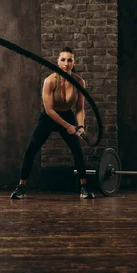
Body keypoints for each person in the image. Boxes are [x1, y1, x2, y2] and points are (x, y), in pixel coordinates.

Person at [11, 46, 95, 199]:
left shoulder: (79, 82)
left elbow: (80, 109)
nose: (66, 63)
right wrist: (68, 126)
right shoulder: (49, 81)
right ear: (58, 62)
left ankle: (84, 187)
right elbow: (49, 110)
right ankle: (21, 187)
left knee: (77, 150)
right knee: (31, 148)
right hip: (49, 118)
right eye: (63, 60)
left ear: (73, 62)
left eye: (69, 60)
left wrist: (81, 126)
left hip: (67, 115)